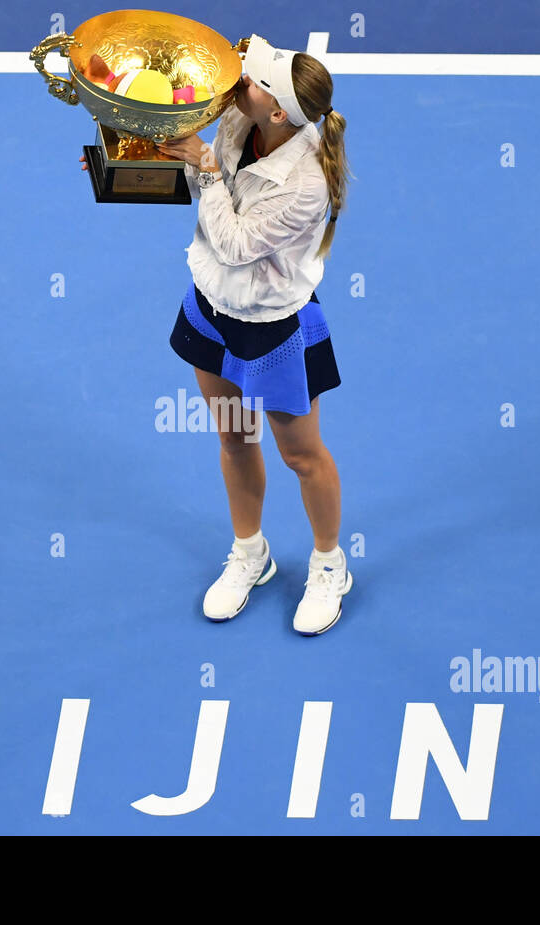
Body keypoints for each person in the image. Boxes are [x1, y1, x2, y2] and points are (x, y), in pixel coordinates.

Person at [156, 34, 354, 636]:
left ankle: (329, 564)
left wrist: (206, 164)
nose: (239, 79)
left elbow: (238, 243)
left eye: (254, 80)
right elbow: (206, 199)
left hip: (272, 332)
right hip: (213, 313)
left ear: (277, 111)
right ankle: (251, 553)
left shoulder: (307, 184)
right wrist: (135, 164)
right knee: (236, 439)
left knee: (300, 454)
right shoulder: (241, 124)